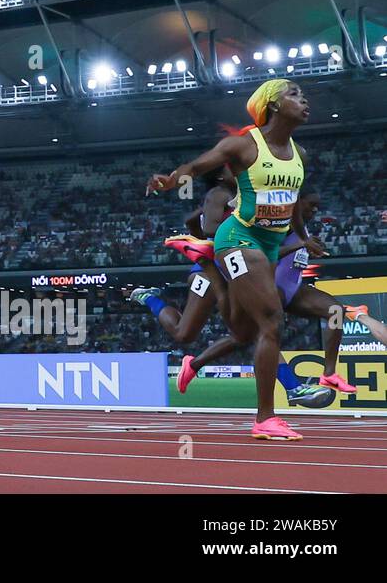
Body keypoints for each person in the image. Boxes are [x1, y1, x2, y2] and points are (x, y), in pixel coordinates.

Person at [146, 79, 319, 441]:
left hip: (269, 245)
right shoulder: (244, 145)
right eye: (294, 94)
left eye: (303, 94)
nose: (303, 99)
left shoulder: (299, 153)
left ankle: (205, 261)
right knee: (272, 319)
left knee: (243, 332)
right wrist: (171, 180)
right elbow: (196, 166)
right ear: (272, 105)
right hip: (239, 238)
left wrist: (303, 239)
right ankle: (265, 418)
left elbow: (293, 202)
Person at [133, 171, 334, 408]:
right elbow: (207, 227)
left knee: (254, 329)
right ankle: (151, 299)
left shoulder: (253, 197)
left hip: (235, 269)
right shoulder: (220, 194)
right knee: (183, 333)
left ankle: (293, 387)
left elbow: (191, 220)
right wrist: (208, 241)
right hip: (210, 271)